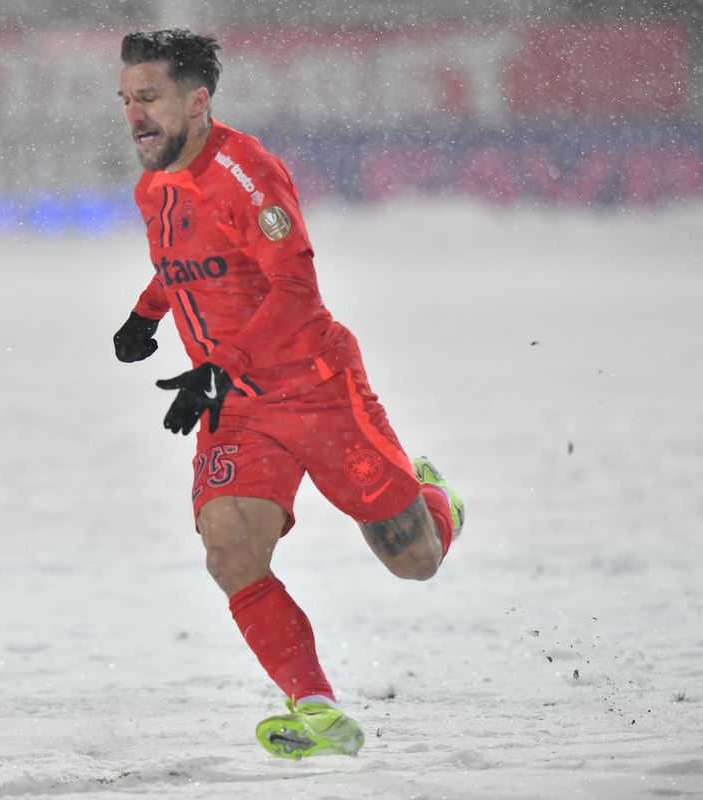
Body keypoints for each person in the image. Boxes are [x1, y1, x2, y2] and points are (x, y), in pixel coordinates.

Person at [112, 29, 466, 760]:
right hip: (236, 405)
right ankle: (316, 709)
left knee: (415, 561)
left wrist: (221, 364)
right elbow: (189, 262)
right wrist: (148, 313)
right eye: (125, 100)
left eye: (147, 98)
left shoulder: (247, 172)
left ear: (198, 100)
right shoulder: (153, 183)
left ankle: (436, 501)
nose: (133, 115)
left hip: (315, 388)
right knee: (229, 551)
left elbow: (296, 290)